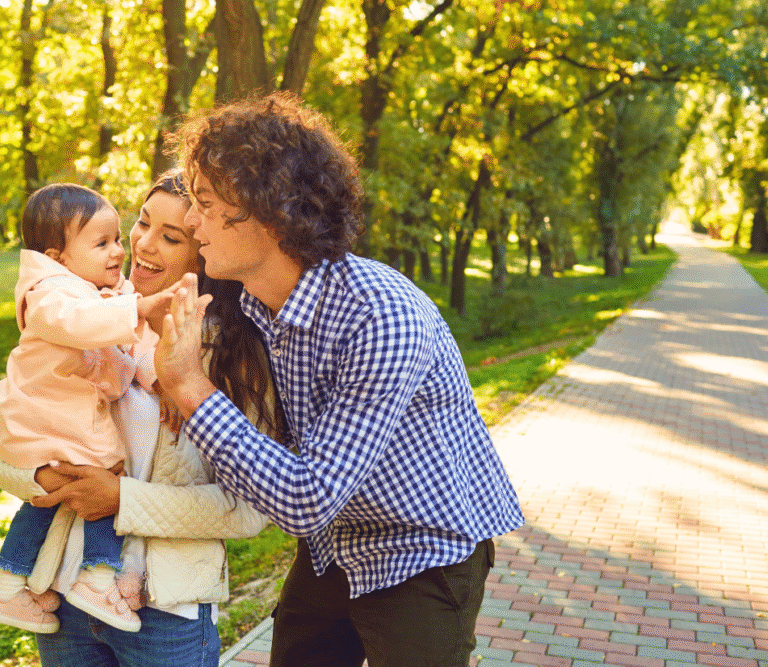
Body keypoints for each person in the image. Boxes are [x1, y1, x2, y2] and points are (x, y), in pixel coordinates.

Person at [154, 92, 525, 667]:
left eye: (204, 201)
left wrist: (188, 388)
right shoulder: (255, 303)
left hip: (423, 545)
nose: (191, 218)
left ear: (267, 212)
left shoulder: (380, 316)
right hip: (336, 541)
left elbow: (305, 497)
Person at [0, 169, 279, 667]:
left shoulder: (235, 356)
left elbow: (247, 509)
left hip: (164, 610)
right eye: (141, 223)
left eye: (171, 236)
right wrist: (46, 476)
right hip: (63, 594)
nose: (142, 244)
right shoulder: (85, 315)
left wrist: (119, 499)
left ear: (205, 248)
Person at [0, 183, 162, 634]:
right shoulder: (50, 293)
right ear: (57, 256)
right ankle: (99, 577)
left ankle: (8, 586)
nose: (119, 251)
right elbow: (82, 325)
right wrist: (136, 308)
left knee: (47, 502)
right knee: (106, 473)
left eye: (117, 238)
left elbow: (118, 360)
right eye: (102, 243)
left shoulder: (79, 290)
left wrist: (161, 376)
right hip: (49, 419)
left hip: (44, 420)